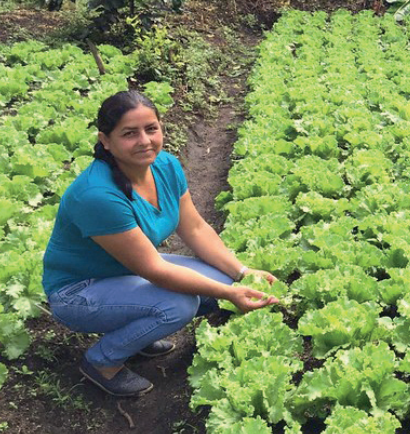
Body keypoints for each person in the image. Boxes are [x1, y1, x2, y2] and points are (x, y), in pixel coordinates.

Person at [42, 90, 279, 397]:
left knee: (219, 278)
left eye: (151, 129)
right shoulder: (97, 195)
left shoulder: (165, 166)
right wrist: (230, 293)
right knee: (179, 303)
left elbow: (194, 228)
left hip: (124, 274)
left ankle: (136, 335)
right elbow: (155, 270)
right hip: (78, 291)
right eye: (129, 133)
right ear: (106, 140)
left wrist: (242, 273)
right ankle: (101, 362)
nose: (144, 141)